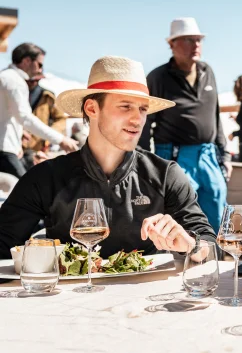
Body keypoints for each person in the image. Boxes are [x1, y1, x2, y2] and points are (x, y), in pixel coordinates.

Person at [0, 55, 215, 259]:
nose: (138, 119)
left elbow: (210, 244)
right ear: (92, 108)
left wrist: (192, 244)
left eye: (142, 109)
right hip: (70, 297)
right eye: (125, 106)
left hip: (147, 296)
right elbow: (3, 242)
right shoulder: (46, 178)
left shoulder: (165, 174)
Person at [140, 17, 230, 232]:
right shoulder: (158, 77)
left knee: (218, 214)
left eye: (199, 39)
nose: (196, 45)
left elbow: (215, 115)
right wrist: (144, 163)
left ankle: (216, 262)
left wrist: (224, 154)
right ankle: (184, 263)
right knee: (180, 217)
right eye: (189, 40)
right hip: (174, 155)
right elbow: (145, 122)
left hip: (208, 154)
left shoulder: (208, 71)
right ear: (172, 44)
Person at [0, 43, 78, 177]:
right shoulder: (15, 81)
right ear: (27, 61)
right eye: (40, 64)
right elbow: (25, 117)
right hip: (5, 150)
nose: (41, 69)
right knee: (26, 193)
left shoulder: (6, 77)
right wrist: (61, 140)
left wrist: (19, 133)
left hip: (9, 149)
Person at [24, 72, 67, 152]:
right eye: (30, 80)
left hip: (38, 149)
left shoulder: (48, 96)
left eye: (35, 80)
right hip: (16, 147)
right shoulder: (14, 92)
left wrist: (50, 136)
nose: (32, 83)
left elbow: (61, 119)